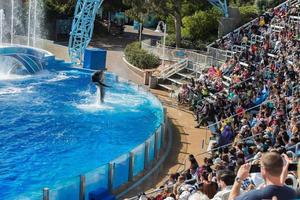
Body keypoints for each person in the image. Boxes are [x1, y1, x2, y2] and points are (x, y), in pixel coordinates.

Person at [229, 152, 296, 200]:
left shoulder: (251, 196)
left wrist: (238, 179)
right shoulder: (294, 194)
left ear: (263, 170)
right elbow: (278, 187)